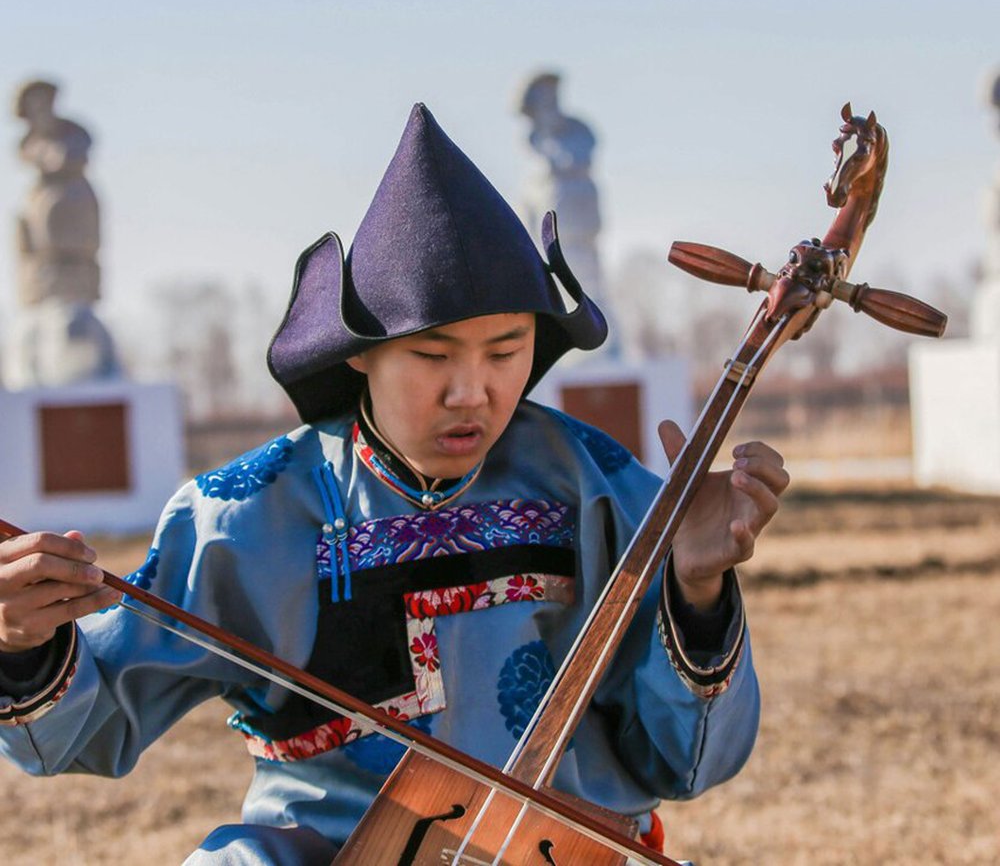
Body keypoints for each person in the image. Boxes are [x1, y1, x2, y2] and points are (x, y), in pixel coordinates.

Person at [0, 104, 789, 865]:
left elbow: (686, 764)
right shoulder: (244, 516)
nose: (471, 390)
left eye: (505, 350)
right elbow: (88, 725)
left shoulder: (599, 488)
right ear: (357, 353)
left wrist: (696, 590)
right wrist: (24, 641)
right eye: (433, 355)